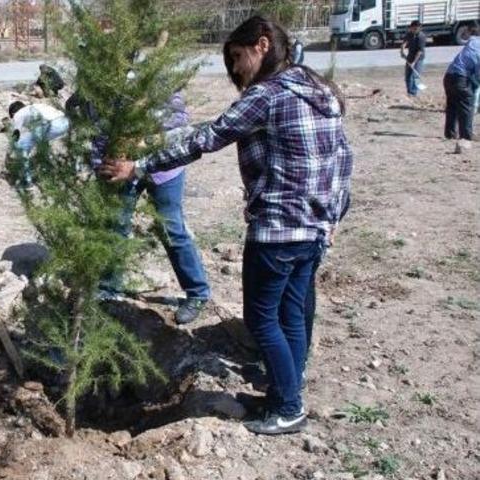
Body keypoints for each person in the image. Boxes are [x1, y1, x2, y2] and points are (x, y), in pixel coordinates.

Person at [99, 16, 353, 435]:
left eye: (237, 57)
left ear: (263, 45)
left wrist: (140, 166)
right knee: (292, 311)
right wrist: (335, 216)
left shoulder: (268, 95)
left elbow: (207, 138)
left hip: (278, 229)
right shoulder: (317, 88)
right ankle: (284, 391)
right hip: (313, 228)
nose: (235, 69)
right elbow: (343, 158)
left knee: (261, 318)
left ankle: (288, 407)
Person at [95, 91, 212, 325]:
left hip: (164, 166)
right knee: (116, 225)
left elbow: (179, 129)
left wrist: (143, 143)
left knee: (170, 227)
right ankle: (108, 289)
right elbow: (95, 130)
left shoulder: (162, 82)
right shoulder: (103, 84)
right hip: (119, 168)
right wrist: (100, 164)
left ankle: (197, 293)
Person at [8, 100, 70, 185]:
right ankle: (48, 170)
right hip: (65, 123)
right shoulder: (36, 106)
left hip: (51, 124)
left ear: (13, 113)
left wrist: (10, 150)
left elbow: (16, 134)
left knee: (21, 145)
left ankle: (27, 180)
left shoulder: (18, 114)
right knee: (41, 143)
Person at [443, 24, 479, 141]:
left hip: (448, 76)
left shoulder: (473, 43)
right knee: (466, 105)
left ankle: (450, 133)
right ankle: (466, 136)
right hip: (460, 78)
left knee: (452, 105)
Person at [401, 21, 426, 97]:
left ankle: (414, 92)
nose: (415, 30)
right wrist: (402, 51)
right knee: (408, 75)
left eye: (417, 29)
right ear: (411, 28)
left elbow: (419, 52)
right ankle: (409, 92)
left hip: (419, 58)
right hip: (410, 56)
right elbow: (405, 42)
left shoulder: (421, 36)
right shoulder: (409, 34)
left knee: (416, 75)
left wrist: (414, 62)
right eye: (413, 29)